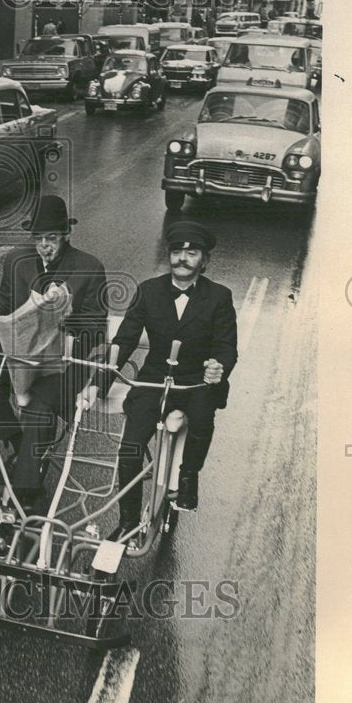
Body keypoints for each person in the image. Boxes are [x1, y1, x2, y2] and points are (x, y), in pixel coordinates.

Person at [83, 220, 237, 542]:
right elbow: (124, 340)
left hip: (194, 382)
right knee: (129, 448)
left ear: (204, 261)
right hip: (154, 379)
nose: (182, 258)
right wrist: (99, 382)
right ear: (169, 256)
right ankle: (127, 522)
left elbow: (226, 348)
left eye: (191, 253)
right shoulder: (149, 290)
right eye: (176, 251)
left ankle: (189, 475)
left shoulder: (219, 297)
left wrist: (217, 368)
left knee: (202, 419)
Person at [0, 196, 108, 509]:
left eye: (51, 238)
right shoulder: (17, 260)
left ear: (66, 234)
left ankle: (27, 491)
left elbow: (97, 325)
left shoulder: (89, 267)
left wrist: (67, 318)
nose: (44, 246)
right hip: (21, 355)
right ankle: (18, 442)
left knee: (40, 403)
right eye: (38, 239)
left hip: (63, 363)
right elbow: (3, 301)